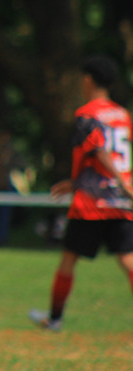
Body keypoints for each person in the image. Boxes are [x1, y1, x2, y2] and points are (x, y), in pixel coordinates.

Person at [29, 54, 133, 332]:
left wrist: (117, 180)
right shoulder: (123, 115)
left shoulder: (86, 115)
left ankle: (55, 319)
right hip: (119, 201)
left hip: (92, 204)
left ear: (88, 80)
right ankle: (54, 319)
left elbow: (99, 150)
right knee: (127, 259)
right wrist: (117, 184)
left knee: (68, 259)